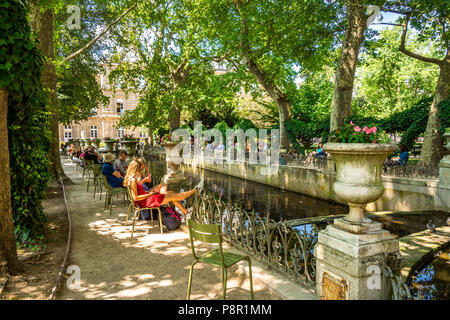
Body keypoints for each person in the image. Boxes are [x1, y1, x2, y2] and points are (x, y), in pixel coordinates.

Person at [123, 160, 200, 215]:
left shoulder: (131, 178)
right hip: (146, 202)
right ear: (136, 168)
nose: (141, 170)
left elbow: (138, 194)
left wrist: (149, 193)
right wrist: (149, 195)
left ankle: (185, 212)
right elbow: (135, 198)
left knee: (172, 193)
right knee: (176, 196)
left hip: (146, 200)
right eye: (140, 168)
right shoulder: (133, 180)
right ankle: (196, 190)